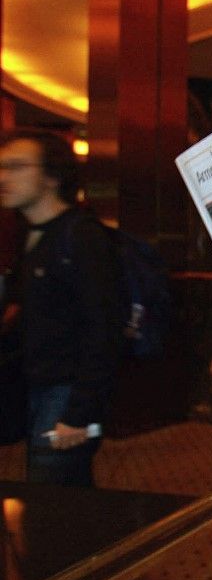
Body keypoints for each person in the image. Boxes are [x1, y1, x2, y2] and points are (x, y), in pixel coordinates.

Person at [0, 129, 122, 487]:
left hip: (66, 393)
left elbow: (104, 329)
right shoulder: (32, 235)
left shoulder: (81, 237)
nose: (3, 177)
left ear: (52, 176)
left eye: (17, 167)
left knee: (53, 497)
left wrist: (80, 411)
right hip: (37, 386)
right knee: (61, 497)